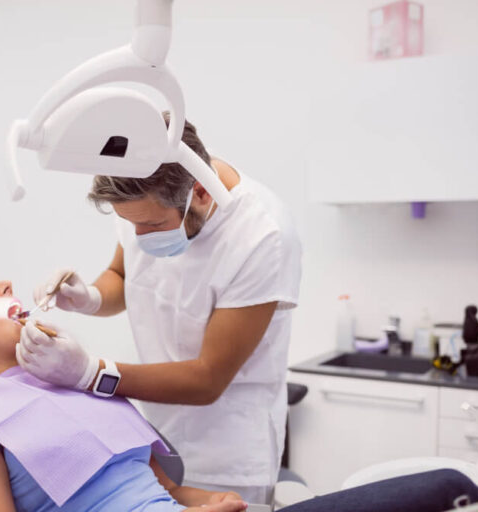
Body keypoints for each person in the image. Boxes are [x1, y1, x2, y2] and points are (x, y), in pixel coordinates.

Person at [0, 266, 478, 512]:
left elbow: (162, 488)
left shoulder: (64, 384)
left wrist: (208, 501)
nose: (1, 282)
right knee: (442, 491)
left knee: (447, 487)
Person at [17, 113, 302, 502]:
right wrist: (90, 297)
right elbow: (122, 274)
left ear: (201, 192)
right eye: (129, 224)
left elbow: (207, 379)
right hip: (157, 433)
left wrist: (90, 373)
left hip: (229, 448)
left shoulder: (261, 237)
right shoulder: (145, 188)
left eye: (151, 225)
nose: (139, 237)